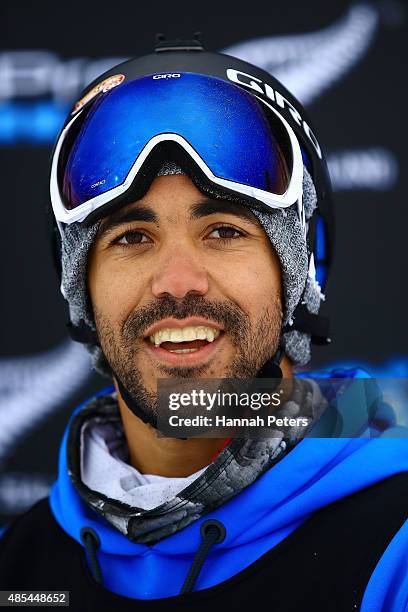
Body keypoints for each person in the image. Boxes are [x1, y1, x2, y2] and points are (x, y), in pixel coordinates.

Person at [1, 38, 407, 611]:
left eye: (223, 231)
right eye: (132, 238)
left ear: (300, 270)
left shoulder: (397, 546)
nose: (178, 281)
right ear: (81, 291)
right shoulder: (20, 566)